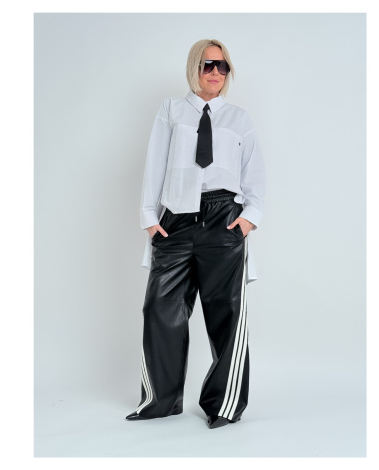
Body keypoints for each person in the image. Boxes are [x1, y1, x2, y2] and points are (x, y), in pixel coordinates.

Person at [126, 39, 266, 429]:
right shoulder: (171, 110)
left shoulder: (239, 119)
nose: (216, 73)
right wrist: (149, 216)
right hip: (176, 219)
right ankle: (160, 400)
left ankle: (224, 404)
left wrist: (248, 218)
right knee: (160, 308)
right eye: (208, 65)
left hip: (224, 218)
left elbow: (254, 174)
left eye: (223, 66)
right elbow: (156, 161)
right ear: (194, 68)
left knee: (226, 313)